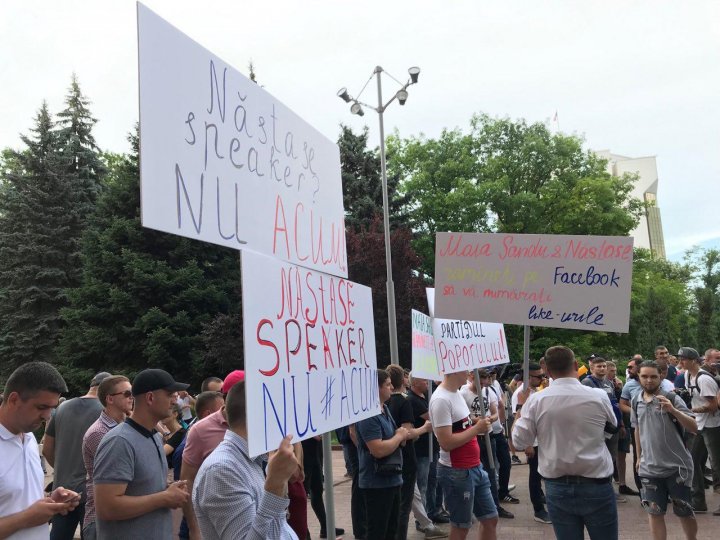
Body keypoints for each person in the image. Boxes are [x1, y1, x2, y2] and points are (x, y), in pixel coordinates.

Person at [513, 346, 618, 540]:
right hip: (596, 482)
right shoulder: (599, 396)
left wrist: (521, 406)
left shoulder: (536, 400)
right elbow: (613, 425)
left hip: (558, 485)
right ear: (576, 365)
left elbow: (519, 440)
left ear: (548, 371)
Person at [192, 381, 299, 539]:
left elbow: (276, 527)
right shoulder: (222, 471)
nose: (284, 423)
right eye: (278, 413)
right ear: (260, 416)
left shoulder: (249, 460)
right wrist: (275, 485)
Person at [93, 369, 191, 539]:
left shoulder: (153, 435)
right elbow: (106, 507)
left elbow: (141, 489)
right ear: (150, 398)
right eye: (169, 394)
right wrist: (164, 498)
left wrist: (167, 490)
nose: (175, 399)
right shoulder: (119, 441)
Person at [0, 362, 81, 540]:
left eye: (52, 408)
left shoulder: (28, 438)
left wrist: (50, 500)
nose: (47, 416)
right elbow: (26, 515)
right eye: (42, 407)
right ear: (14, 400)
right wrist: (25, 519)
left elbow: (14, 499)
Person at [632, 360, 698, 540]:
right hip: (649, 468)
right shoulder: (636, 400)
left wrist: (673, 410)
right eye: (644, 376)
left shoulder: (672, 397)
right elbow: (637, 428)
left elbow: (694, 427)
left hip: (677, 468)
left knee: (684, 511)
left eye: (653, 376)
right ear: (638, 376)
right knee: (654, 512)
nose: (649, 380)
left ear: (661, 376)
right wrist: (639, 457)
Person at [429, 368, 498, 540]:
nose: (469, 373)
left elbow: (462, 423)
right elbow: (446, 443)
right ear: (453, 371)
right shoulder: (441, 400)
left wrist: (479, 422)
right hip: (457, 471)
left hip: (474, 467)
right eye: (465, 370)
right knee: (461, 527)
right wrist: (477, 428)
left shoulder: (456, 393)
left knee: (490, 518)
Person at [42, 372, 109, 539]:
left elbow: (47, 449)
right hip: (91, 492)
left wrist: (62, 468)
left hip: (62, 489)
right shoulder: (106, 413)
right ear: (107, 390)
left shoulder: (61, 408)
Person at [355, 369, 409, 540]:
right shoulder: (368, 415)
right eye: (387, 384)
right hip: (376, 483)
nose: (392, 387)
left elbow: (396, 439)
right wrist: (399, 436)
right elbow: (377, 449)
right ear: (375, 388)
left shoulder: (384, 408)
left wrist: (400, 436)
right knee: (378, 532)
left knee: (391, 531)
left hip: (392, 478)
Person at [81, 375, 135, 540]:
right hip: (101, 522)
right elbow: (124, 471)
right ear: (110, 399)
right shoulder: (100, 433)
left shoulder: (124, 427)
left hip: (118, 518)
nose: (132, 397)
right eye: (127, 394)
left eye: (133, 393)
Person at [385, 364, 434, 539]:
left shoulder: (385, 402)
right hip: (405, 458)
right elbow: (407, 434)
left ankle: (426, 522)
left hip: (391, 458)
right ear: (402, 380)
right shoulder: (403, 401)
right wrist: (423, 430)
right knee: (403, 506)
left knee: (402, 502)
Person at [459, 370, 514, 519]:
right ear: (472, 377)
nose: (483, 384)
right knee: (475, 472)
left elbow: (495, 411)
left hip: (489, 436)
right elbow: (463, 416)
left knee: (491, 471)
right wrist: (477, 421)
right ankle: (473, 508)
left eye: (485, 380)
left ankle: (495, 506)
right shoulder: (463, 393)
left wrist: (491, 418)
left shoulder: (488, 391)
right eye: (480, 380)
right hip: (474, 436)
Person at [172, 391, 224, 540]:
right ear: (208, 413)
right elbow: (185, 485)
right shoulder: (191, 440)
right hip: (203, 521)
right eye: (221, 407)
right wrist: (193, 528)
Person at [678, 346, 720, 514]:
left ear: (694, 360)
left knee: (717, 465)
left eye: (684, 359)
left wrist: (692, 411)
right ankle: (698, 501)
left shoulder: (704, 379)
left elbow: (713, 405)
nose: (681, 361)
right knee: (693, 461)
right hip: (700, 425)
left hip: (713, 426)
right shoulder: (688, 375)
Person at [580, 356, 625, 502]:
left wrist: (621, 424)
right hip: (598, 426)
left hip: (613, 425)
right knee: (597, 458)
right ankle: (594, 489)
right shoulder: (587, 382)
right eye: (598, 366)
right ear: (592, 368)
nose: (602, 368)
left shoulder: (609, 382)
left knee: (611, 458)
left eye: (604, 366)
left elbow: (615, 404)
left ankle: (608, 488)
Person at [511, 363, 551, 523]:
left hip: (541, 441)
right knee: (535, 476)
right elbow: (520, 421)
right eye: (539, 376)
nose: (542, 378)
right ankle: (538, 510)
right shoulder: (521, 394)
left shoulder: (535, 391)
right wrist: (528, 444)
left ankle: (540, 499)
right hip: (532, 442)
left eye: (543, 375)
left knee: (540, 474)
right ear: (528, 377)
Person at [619, 356, 643, 493]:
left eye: (630, 367)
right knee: (638, 457)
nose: (628, 370)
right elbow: (622, 404)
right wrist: (636, 411)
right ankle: (642, 491)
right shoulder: (629, 385)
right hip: (637, 426)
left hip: (656, 427)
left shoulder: (659, 383)